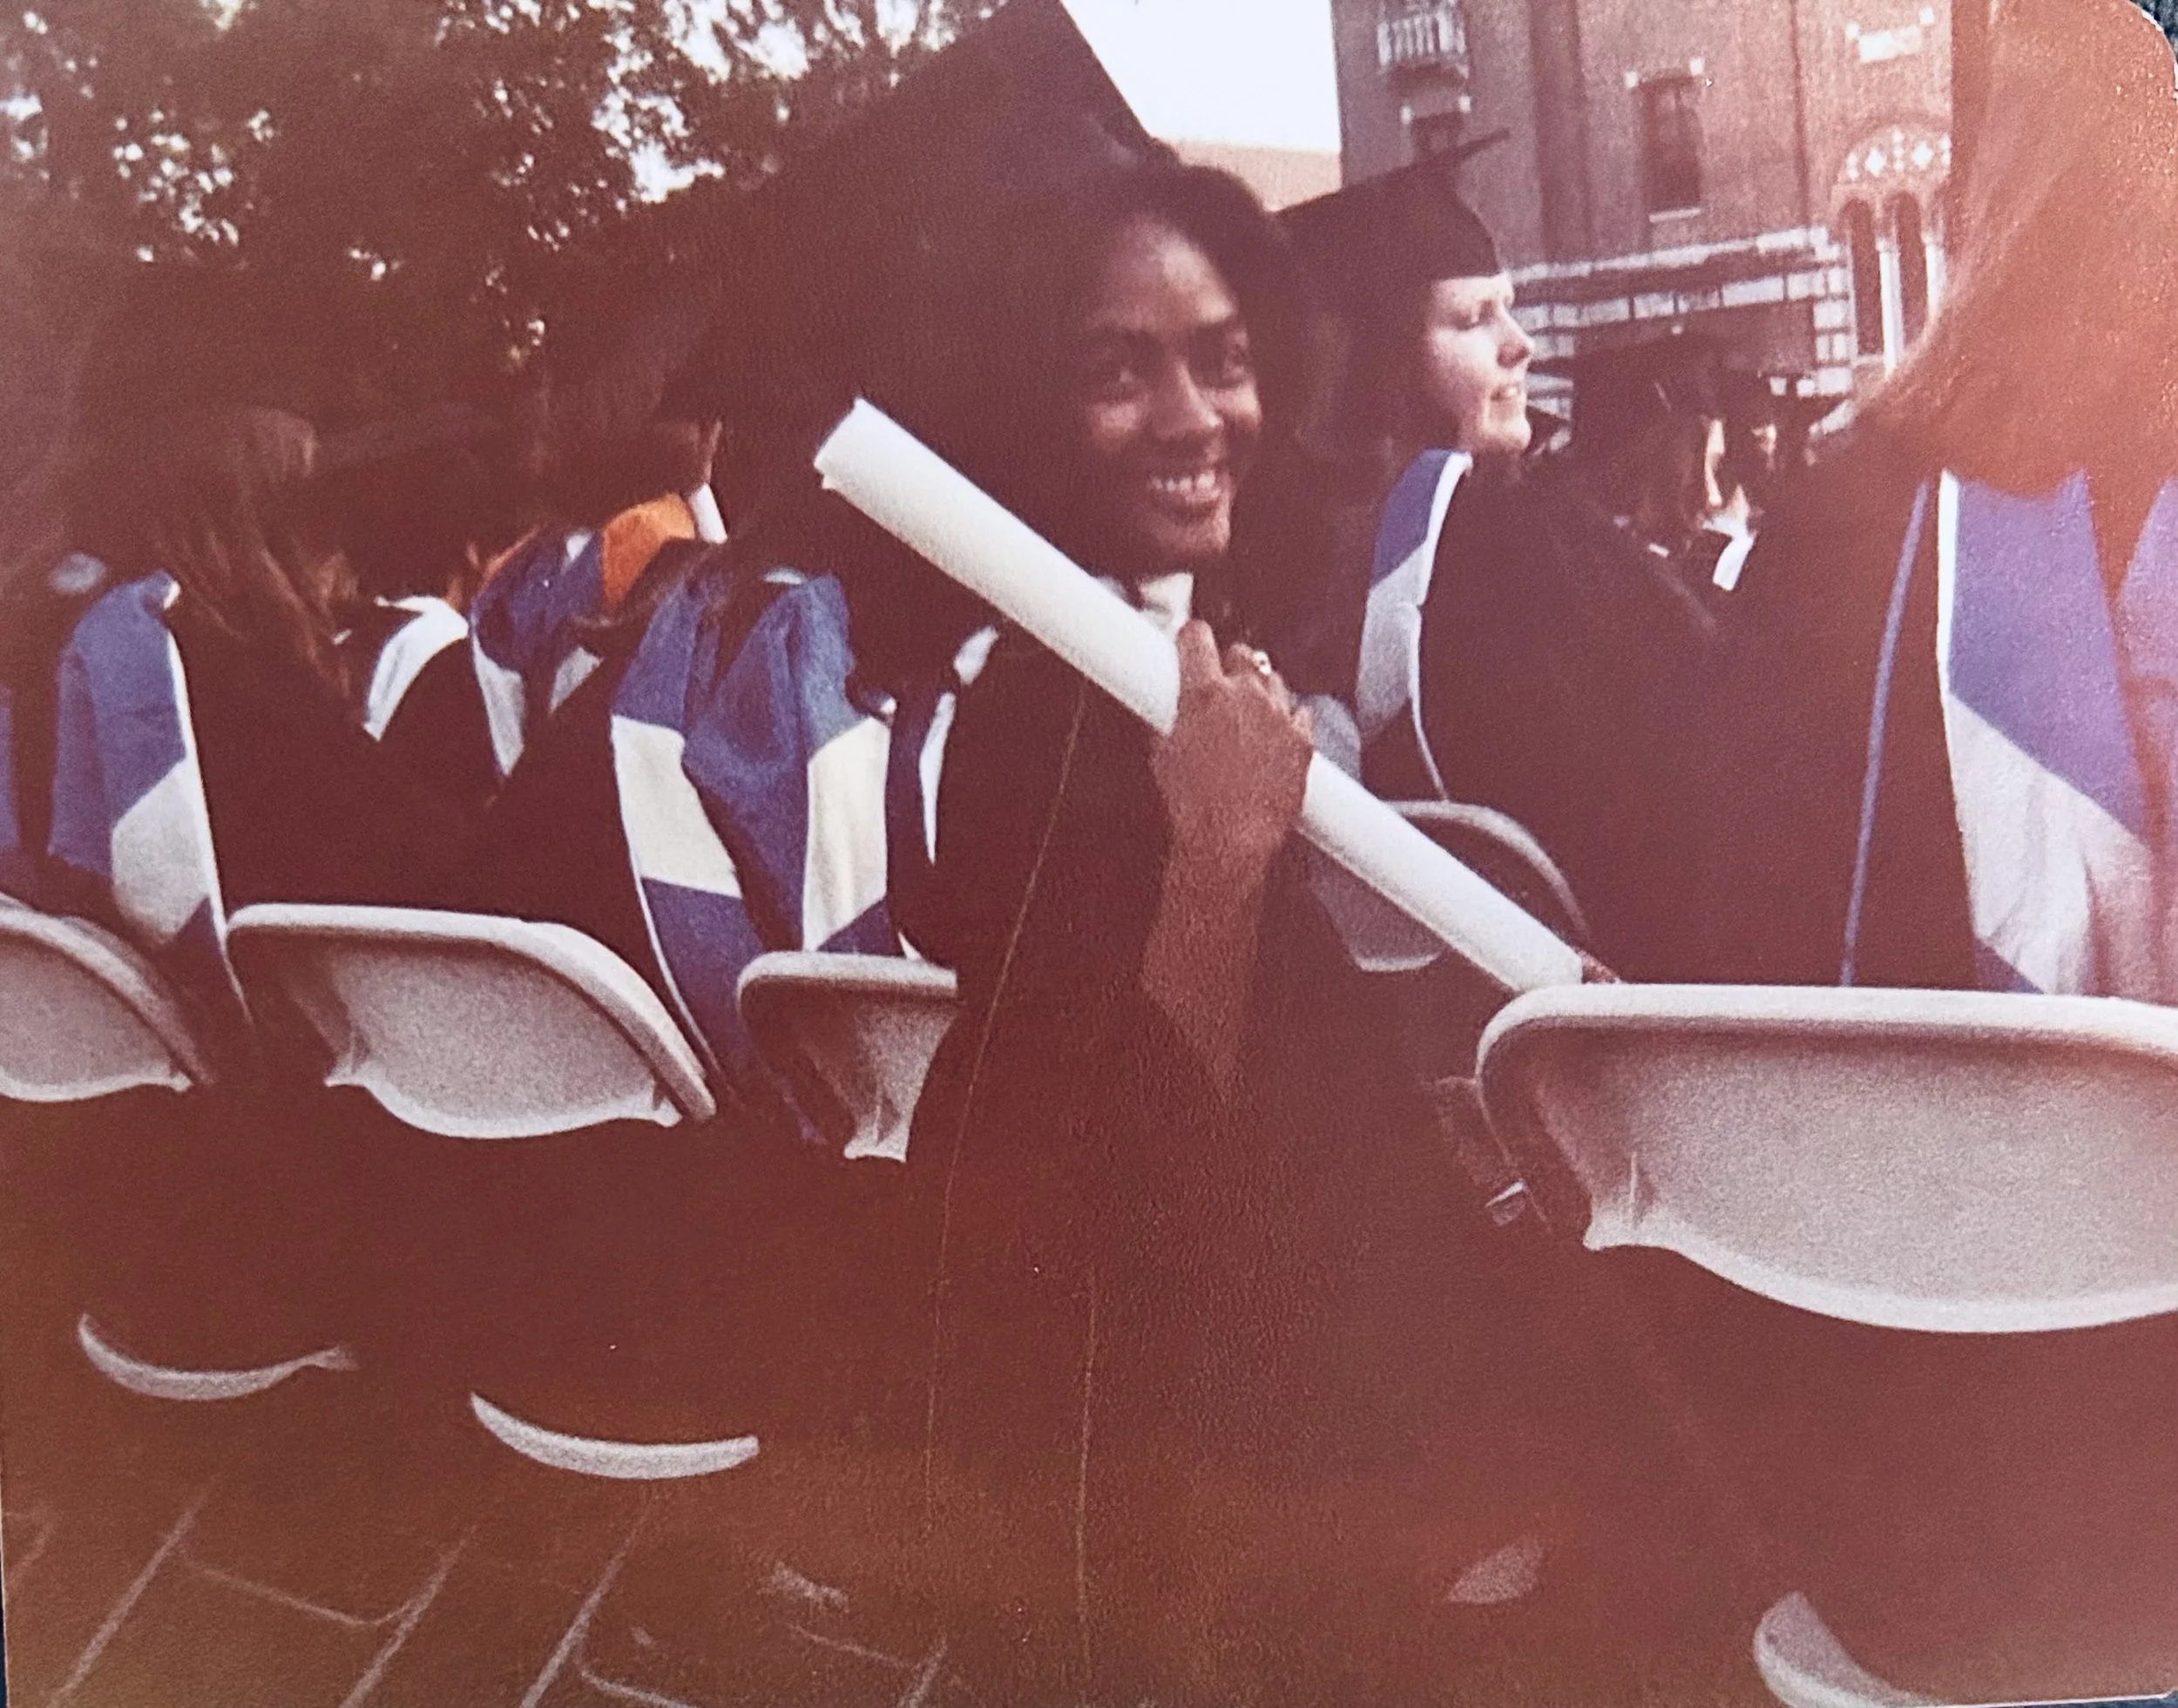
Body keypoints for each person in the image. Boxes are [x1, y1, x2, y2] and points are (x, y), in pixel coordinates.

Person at [853, 158, 1688, 1705]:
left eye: (1224, 360)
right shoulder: (1049, 720)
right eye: (1122, 370)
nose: (1194, 416)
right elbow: (1106, 1217)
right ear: (1036, 401)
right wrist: (1222, 861)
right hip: (1229, 1544)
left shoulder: (1160, 660)